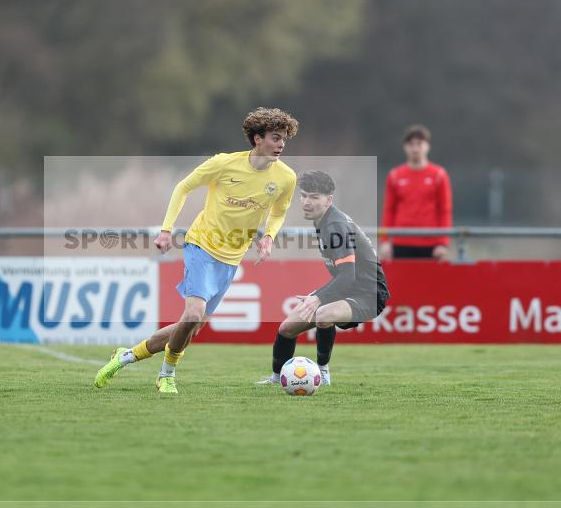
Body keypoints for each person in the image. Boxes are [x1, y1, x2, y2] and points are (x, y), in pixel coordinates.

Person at [94, 107, 299, 394]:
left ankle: (125, 356)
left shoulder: (286, 177)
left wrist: (269, 237)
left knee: (190, 325)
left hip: (231, 258)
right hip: (201, 244)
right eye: (275, 138)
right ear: (257, 139)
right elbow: (183, 187)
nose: (281, 145)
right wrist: (167, 230)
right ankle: (167, 373)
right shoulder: (224, 164)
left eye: (284, 139)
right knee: (194, 312)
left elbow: (280, 211)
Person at [258, 170, 388, 386]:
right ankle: (276, 378)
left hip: (369, 293)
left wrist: (318, 297)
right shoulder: (324, 220)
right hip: (346, 289)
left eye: (314, 197)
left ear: (328, 200)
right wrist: (318, 295)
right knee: (287, 328)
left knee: (324, 314)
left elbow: (347, 275)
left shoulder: (334, 226)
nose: (307, 202)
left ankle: (322, 373)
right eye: (304, 195)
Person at [380, 124, 453, 260]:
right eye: (411, 144)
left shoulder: (439, 175)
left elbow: (445, 210)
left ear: (427, 146)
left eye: (419, 143)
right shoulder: (395, 175)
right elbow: (388, 210)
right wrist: (385, 241)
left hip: (430, 245)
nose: (415, 148)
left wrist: (443, 243)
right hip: (401, 242)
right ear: (405, 147)